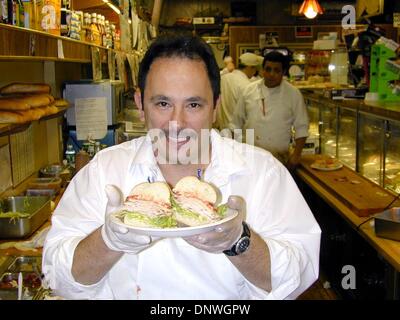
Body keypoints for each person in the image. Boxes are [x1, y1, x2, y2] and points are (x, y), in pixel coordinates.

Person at [42, 35, 321, 300]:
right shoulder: (105, 171)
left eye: (194, 104)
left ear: (215, 107)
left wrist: (239, 242)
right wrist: (108, 240)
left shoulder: (263, 175)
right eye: (163, 103)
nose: (177, 122)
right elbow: (58, 276)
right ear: (141, 104)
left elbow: (298, 276)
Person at [230, 51, 309, 170]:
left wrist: (296, 155)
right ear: (262, 70)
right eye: (268, 69)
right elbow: (236, 123)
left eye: (277, 70)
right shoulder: (249, 91)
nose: (271, 74)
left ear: (283, 72)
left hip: (280, 160)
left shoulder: (293, 94)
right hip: (250, 158)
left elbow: (302, 127)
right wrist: (234, 153)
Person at [216, 52, 263, 130]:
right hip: (238, 132)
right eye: (255, 68)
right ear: (249, 67)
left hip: (222, 130)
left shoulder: (224, 78)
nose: (255, 72)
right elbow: (251, 115)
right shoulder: (247, 85)